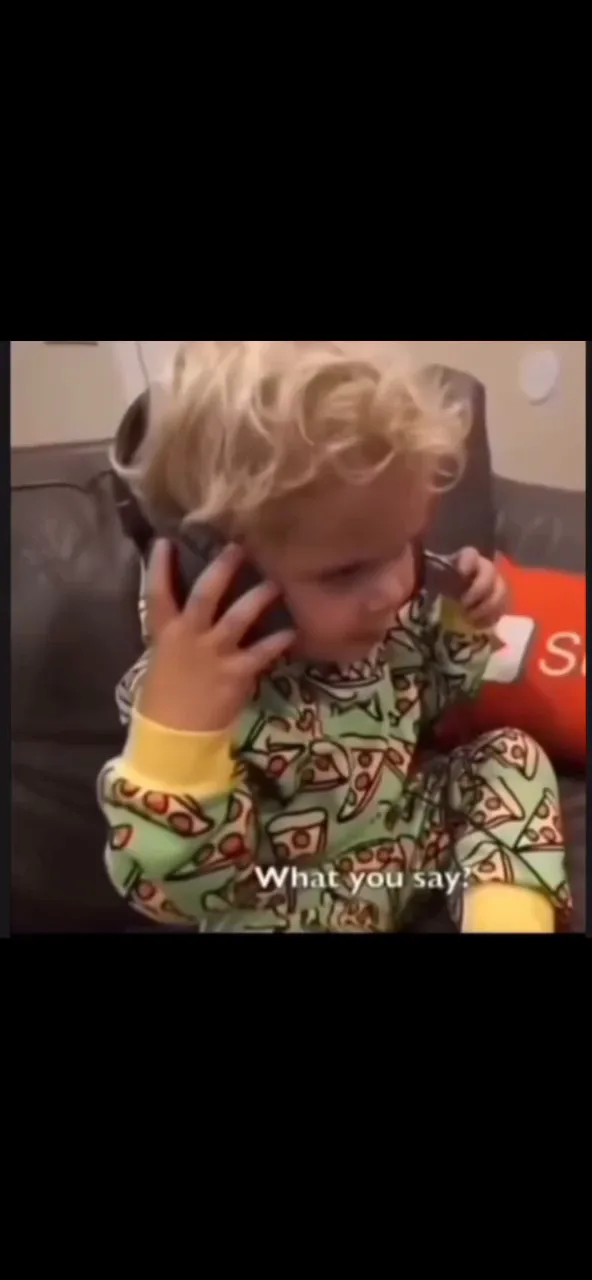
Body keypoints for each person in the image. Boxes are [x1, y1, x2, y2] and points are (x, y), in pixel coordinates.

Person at [97, 341, 571, 933]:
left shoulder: (381, 629)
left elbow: (444, 696)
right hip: (290, 898)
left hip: (402, 851)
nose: (393, 588)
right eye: (345, 572)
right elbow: (179, 893)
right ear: (220, 573)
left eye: (403, 546)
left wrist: (464, 618)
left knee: (509, 756)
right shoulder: (181, 701)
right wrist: (179, 739)